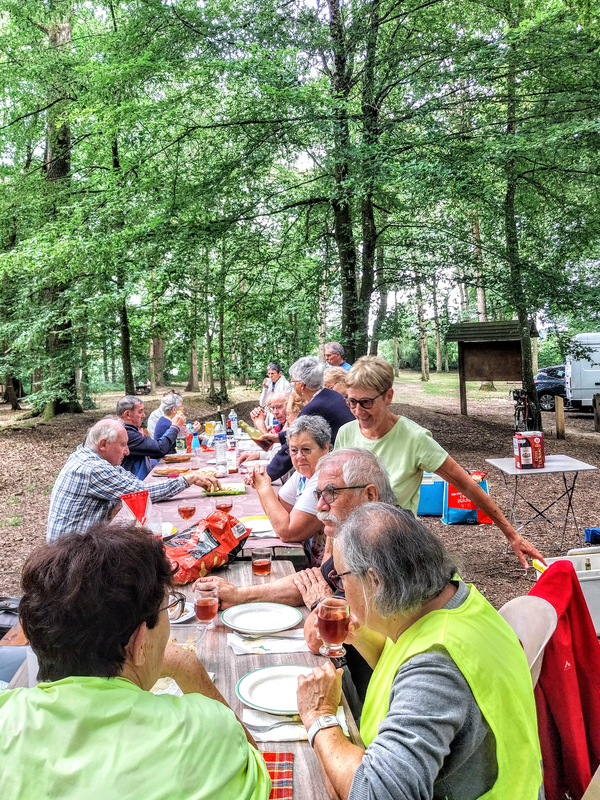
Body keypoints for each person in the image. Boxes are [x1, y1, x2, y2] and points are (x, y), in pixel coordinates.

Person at [0, 523, 271, 800]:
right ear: (139, 641)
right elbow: (255, 768)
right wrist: (187, 666)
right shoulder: (205, 729)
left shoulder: (6, 715)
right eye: (169, 607)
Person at [296, 504, 544, 800]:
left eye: (341, 579)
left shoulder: (436, 667)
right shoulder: (450, 601)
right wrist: (362, 638)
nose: (341, 590)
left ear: (374, 581)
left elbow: (376, 793)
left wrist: (319, 716)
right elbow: (404, 665)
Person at [204, 447, 396, 706]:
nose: (319, 506)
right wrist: (240, 595)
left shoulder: (381, 547)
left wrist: (320, 603)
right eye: (318, 494)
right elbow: (314, 580)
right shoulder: (361, 532)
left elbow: (317, 638)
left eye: (330, 494)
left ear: (370, 494)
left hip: (374, 700)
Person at [335, 355, 543, 567]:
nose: (358, 411)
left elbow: (467, 485)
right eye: (351, 401)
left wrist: (511, 534)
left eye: (366, 402)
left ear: (388, 396)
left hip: (393, 550)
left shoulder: (414, 438)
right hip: (350, 545)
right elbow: (333, 494)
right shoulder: (345, 434)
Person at [46, 418, 220, 543]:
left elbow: (135, 486)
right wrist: (188, 479)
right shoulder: (93, 469)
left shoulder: (88, 457)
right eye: (123, 445)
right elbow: (142, 494)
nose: (127, 451)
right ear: (103, 444)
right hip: (70, 557)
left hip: (80, 544)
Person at [244, 415, 331, 566]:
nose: (299, 457)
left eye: (306, 450)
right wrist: (260, 483)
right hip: (310, 561)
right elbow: (280, 508)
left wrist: (264, 488)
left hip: (324, 572)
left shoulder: (323, 477)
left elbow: (288, 532)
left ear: (325, 447)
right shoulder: (304, 473)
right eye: (293, 450)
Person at [266, 356, 355, 481]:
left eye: (293, 383)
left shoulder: (314, 407)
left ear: (301, 386)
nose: (293, 387)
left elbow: (293, 444)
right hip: (351, 457)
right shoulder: (331, 395)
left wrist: (267, 475)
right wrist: (278, 438)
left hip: (343, 467)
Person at [116, 396, 184, 479]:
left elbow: (152, 453)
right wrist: (175, 427)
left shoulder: (131, 430)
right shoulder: (125, 433)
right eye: (140, 411)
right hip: (134, 484)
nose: (144, 415)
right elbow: (159, 449)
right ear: (128, 414)